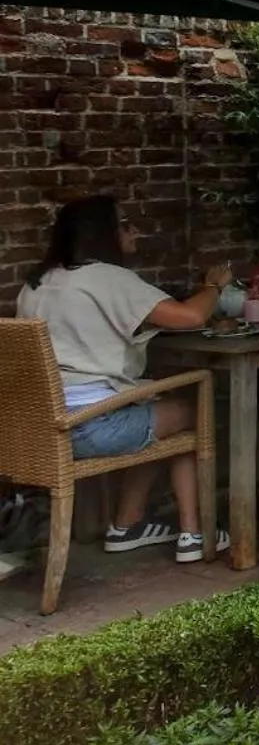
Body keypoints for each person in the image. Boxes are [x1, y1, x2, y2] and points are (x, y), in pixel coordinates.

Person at [17, 196, 231, 563]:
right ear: (105, 233)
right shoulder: (106, 277)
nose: (136, 231)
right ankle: (195, 534)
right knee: (191, 411)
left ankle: (127, 525)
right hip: (88, 428)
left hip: (37, 428)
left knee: (152, 409)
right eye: (127, 223)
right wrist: (214, 286)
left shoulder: (36, 283)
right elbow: (190, 317)